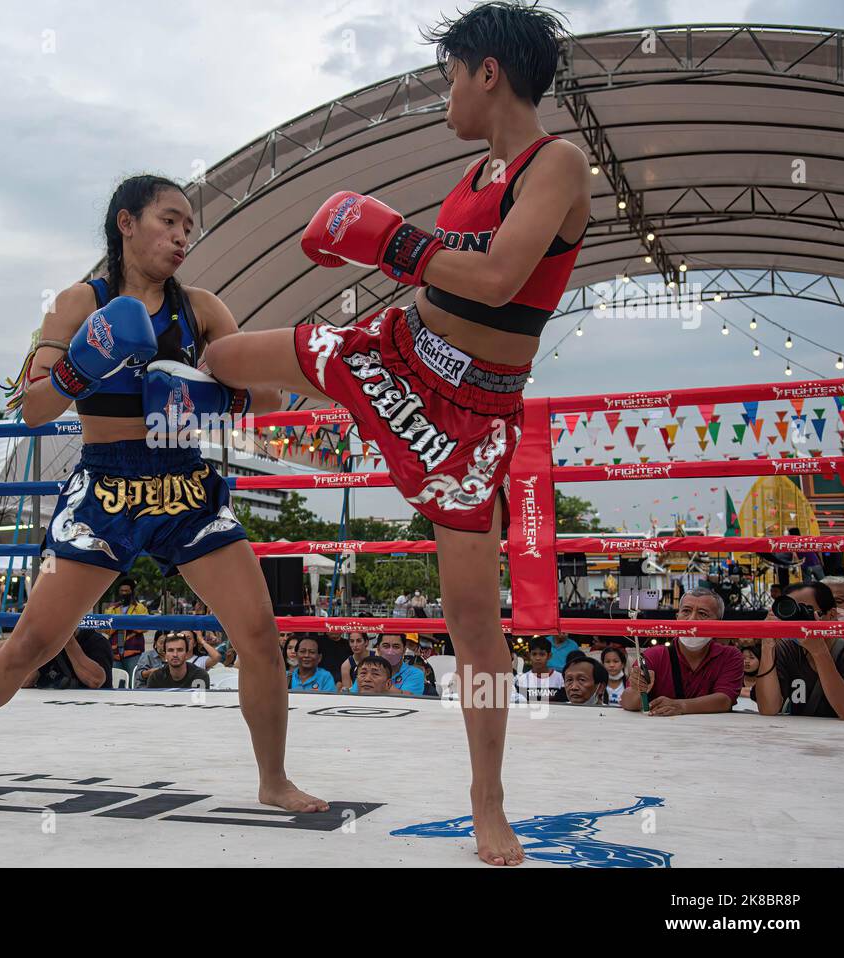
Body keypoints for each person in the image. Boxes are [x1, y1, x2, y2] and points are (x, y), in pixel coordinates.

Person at [201, 2, 585, 865]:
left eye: (452, 73)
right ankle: (140, 407)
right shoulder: (475, 175)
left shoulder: (556, 163)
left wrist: (386, 240)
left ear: (489, 72)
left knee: (472, 622)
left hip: (471, 416)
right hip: (394, 354)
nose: (445, 93)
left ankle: (488, 799)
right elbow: (440, 279)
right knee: (222, 354)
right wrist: (390, 253)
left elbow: (495, 279)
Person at [0, 175, 325, 819]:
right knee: (31, 642)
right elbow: (32, 409)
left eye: (188, 228)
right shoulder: (75, 304)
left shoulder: (201, 309)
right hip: (103, 489)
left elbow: (273, 396)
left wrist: (212, 396)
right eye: (169, 221)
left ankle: (274, 780)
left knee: (257, 632)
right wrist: (80, 365)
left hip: (185, 485)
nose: (181, 237)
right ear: (126, 223)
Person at [621, 588, 743, 716]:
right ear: (677, 617)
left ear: (719, 623)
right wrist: (637, 690)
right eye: (686, 611)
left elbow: (724, 700)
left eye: (703, 614)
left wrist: (681, 706)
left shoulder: (730, 656)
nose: (692, 620)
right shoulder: (653, 656)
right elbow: (627, 702)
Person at [755, 581, 844, 719]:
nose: (798, 621)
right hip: (801, 737)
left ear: (831, 615)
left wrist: (818, 651)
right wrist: (767, 644)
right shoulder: (788, 648)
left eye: (806, 610)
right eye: (792, 613)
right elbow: (768, 708)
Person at [23, 628, 113, 690]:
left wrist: (67, 639)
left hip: (90, 709)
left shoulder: (95, 641)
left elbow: (95, 681)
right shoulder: (45, 644)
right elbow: (24, 682)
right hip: (50, 709)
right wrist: (37, 647)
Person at [106, 578, 149, 678]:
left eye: (127, 591)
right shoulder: (112, 608)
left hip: (133, 652)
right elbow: (106, 628)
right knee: (117, 682)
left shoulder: (140, 608)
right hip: (114, 652)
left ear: (132, 592)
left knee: (133, 680)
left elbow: (145, 626)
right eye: (122, 591)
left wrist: (121, 623)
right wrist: (129, 623)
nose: (124, 593)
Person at [358, 633, 425, 695]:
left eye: (396, 646)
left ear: (404, 650)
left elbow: (407, 701)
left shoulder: (415, 674)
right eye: (386, 646)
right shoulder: (366, 670)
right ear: (378, 649)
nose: (390, 652)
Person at [145, 633, 210, 689]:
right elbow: (151, 703)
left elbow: (200, 702)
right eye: (170, 650)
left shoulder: (200, 676)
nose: (175, 654)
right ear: (165, 655)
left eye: (180, 650)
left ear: (187, 654)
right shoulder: (155, 677)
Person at [514, 636, 564, 703]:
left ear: (549, 656)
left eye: (542, 654)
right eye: (534, 654)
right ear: (529, 655)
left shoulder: (560, 679)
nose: (538, 658)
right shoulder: (521, 680)